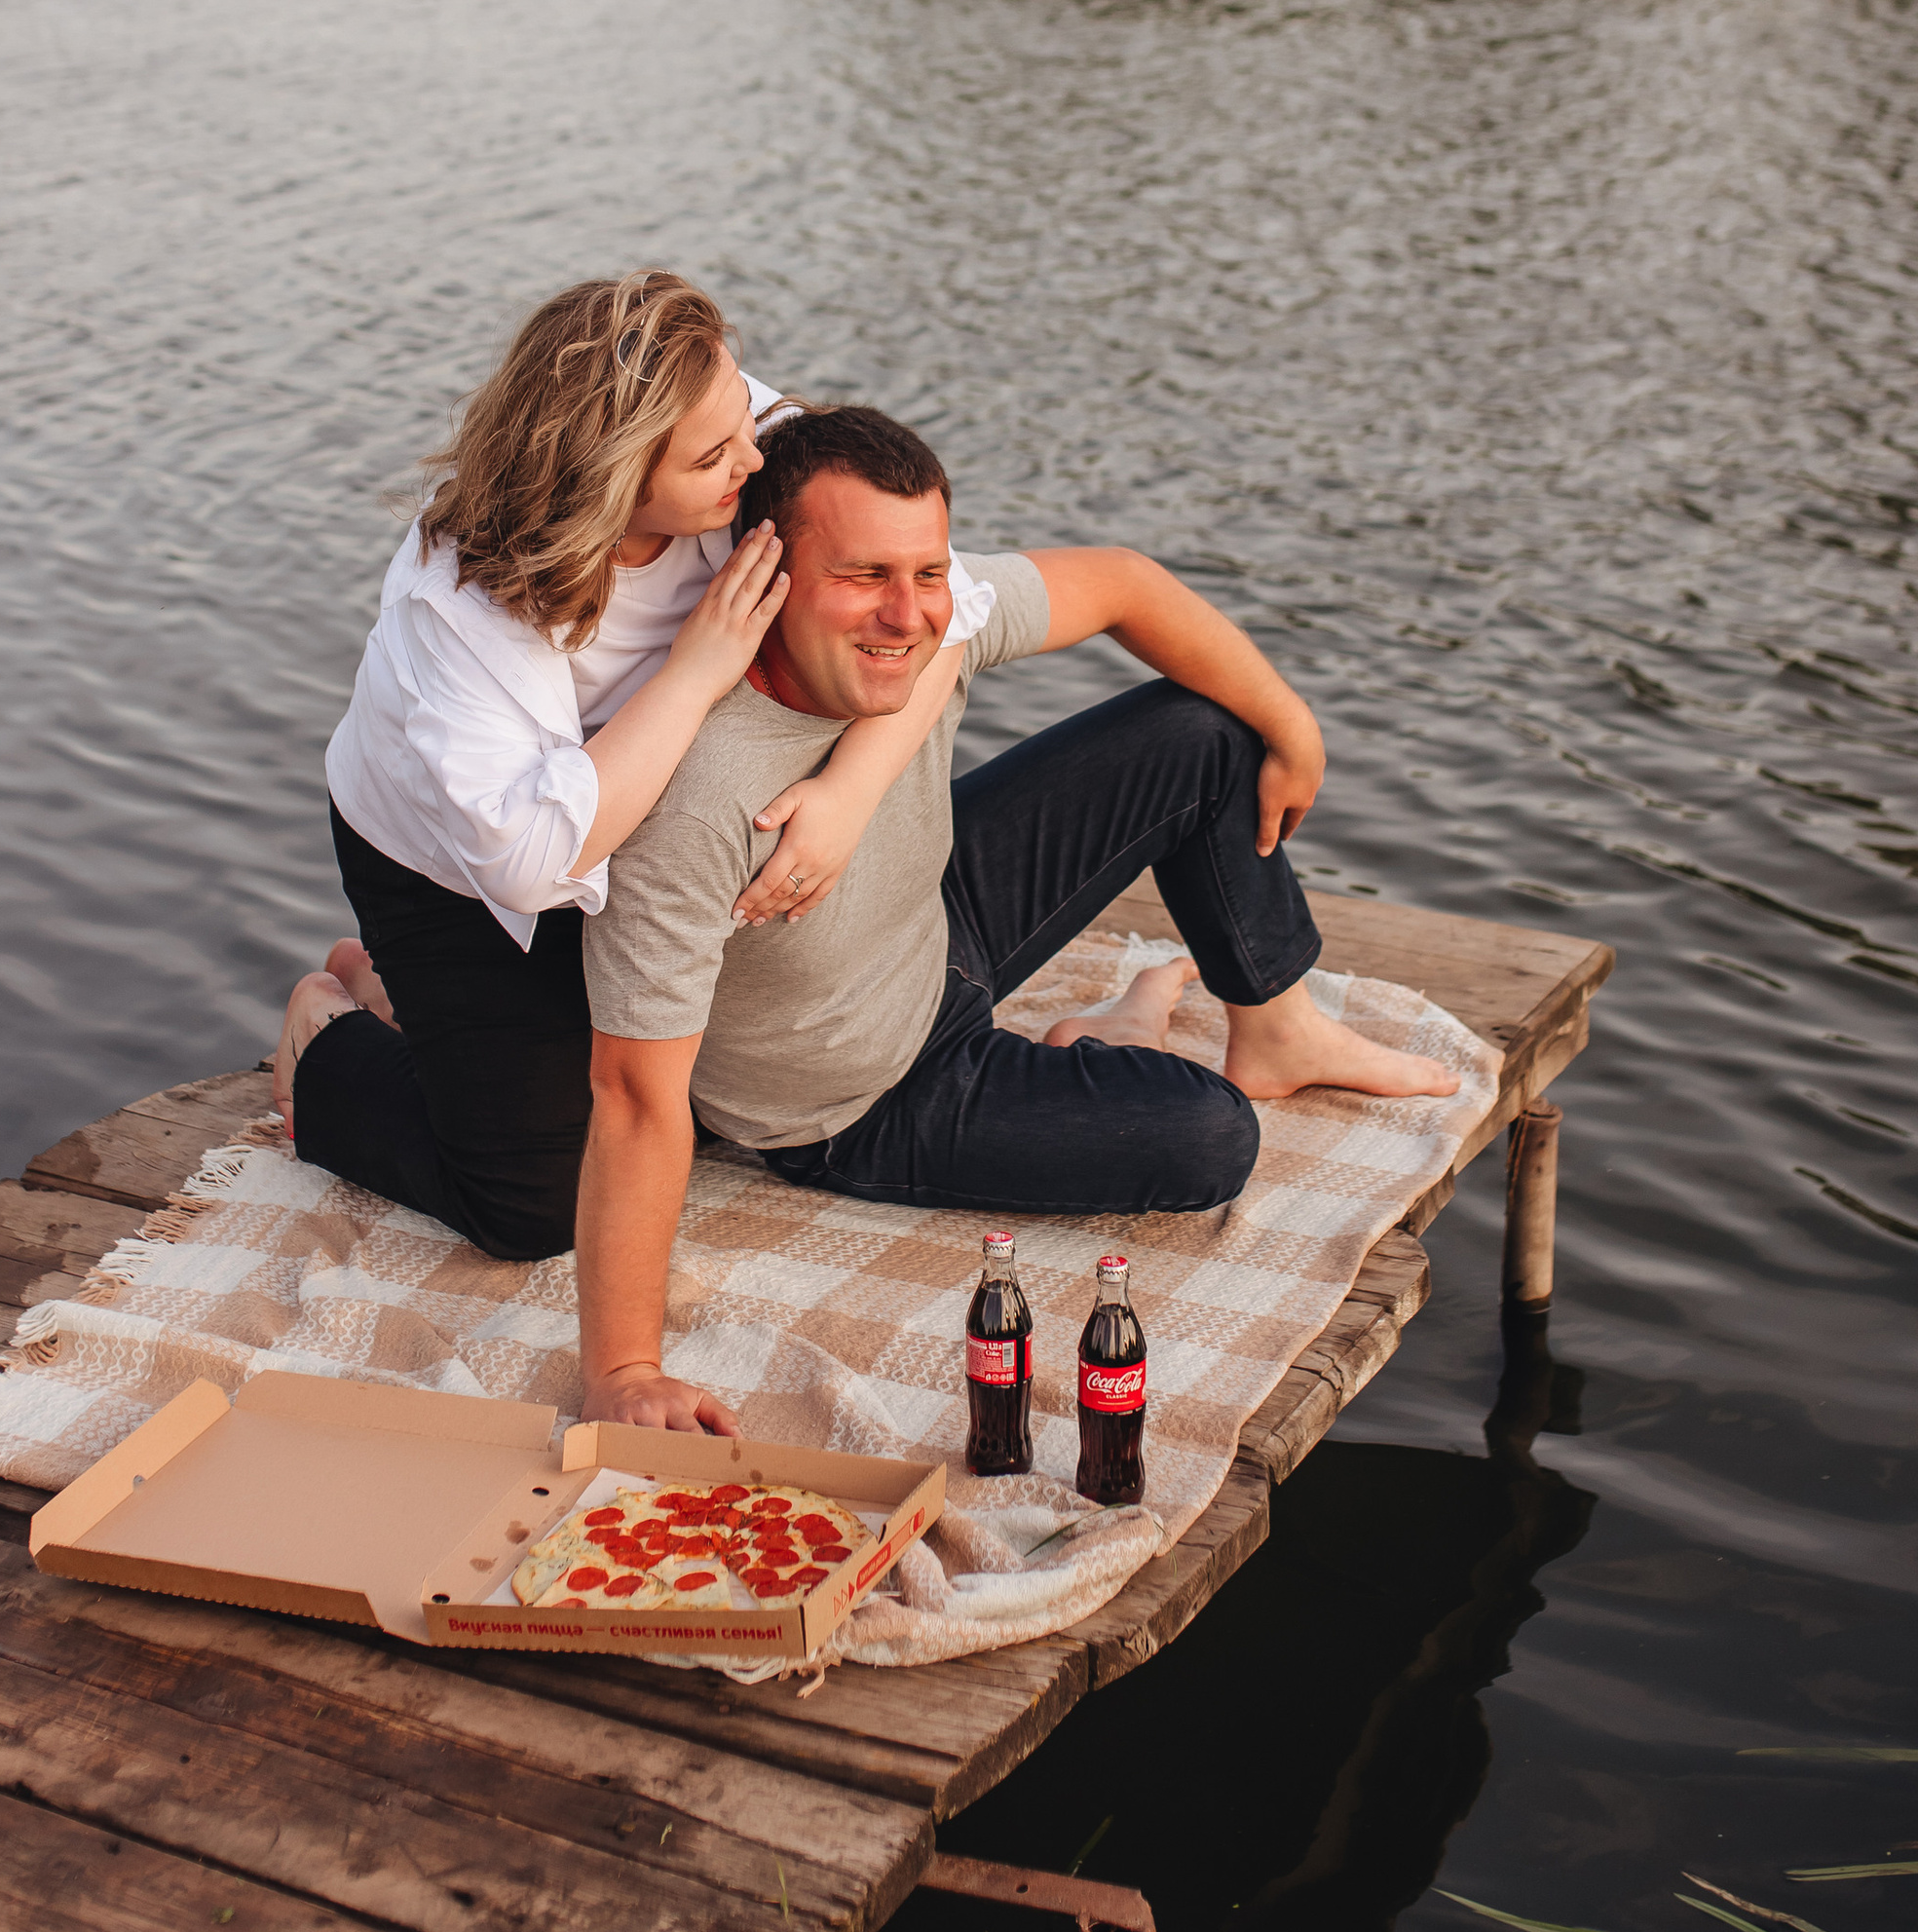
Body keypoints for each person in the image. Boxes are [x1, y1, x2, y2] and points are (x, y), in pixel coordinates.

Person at [577, 402, 1462, 1433]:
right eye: (862, 576)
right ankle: (1114, 1033)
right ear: (764, 575)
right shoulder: (693, 799)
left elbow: (1125, 582)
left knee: (1203, 729)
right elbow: (632, 1096)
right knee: (1211, 1138)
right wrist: (624, 1369)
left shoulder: (930, 618)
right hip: (863, 1094)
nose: (907, 615)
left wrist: (1297, 730)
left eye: (927, 571)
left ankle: (1275, 1024)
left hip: (933, 922)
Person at [275, 277, 982, 1261]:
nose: (752, 457)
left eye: (742, 422)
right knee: (535, 1209)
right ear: (611, 478)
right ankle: (330, 1045)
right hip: (454, 870)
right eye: (713, 457)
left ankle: (407, 1006)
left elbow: (962, 600)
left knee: (669, 1088)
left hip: (628, 814)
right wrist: (693, 676)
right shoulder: (465, 601)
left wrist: (847, 792)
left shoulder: (719, 420)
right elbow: (529, 862)